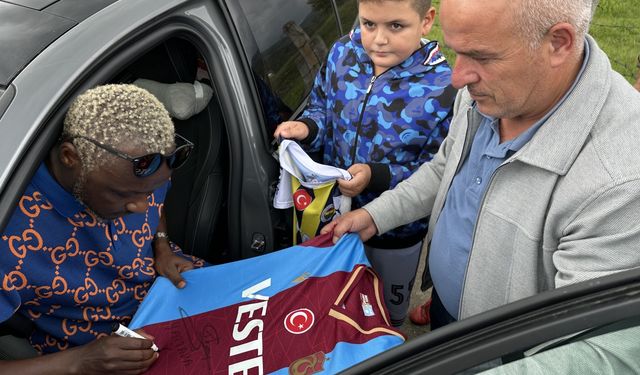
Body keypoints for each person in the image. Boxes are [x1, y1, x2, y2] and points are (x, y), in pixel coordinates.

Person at [322, 0, 640, 330]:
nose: (458, 78)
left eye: (481, 56)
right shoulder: (487, 94)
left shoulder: (621, 181)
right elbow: (444, 168)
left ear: (558, 43)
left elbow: (588, 348)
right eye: (456, 51)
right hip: (446, 314)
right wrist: (377, 215)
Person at [274, 0, 456, 326]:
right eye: (369, 23)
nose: (378, 39)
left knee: (383, 311)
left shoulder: (444, 89)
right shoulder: (343, 52)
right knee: (333, 297)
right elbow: (320, 106)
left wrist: (376, 175)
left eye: (395, 26)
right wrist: (308, 127)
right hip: (331, 214)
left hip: (396, 233)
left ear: (427, 21)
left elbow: (438, 169)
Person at [0, 84, 203, 373]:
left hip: (175, 290)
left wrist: (162, 246)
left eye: (151, 192)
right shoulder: (10, 235)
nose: (143, 207)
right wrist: (78, 362)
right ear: (70, 157)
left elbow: (151, 202)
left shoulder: (144, 170)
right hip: (104, 356)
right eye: (123, 196)